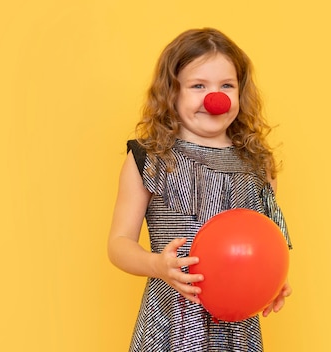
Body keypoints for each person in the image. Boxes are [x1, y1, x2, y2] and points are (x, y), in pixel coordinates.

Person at [107, 27, 293, 352]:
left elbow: (267, 242)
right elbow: (119, 244)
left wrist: (272, 281)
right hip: (171, 318)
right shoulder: (149, 159)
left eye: (226, 86)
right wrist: (157, 266)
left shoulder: (258, 163)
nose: (215, 98)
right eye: (198, 86)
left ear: (241, 92)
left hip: (238, 326)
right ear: (172, 93)